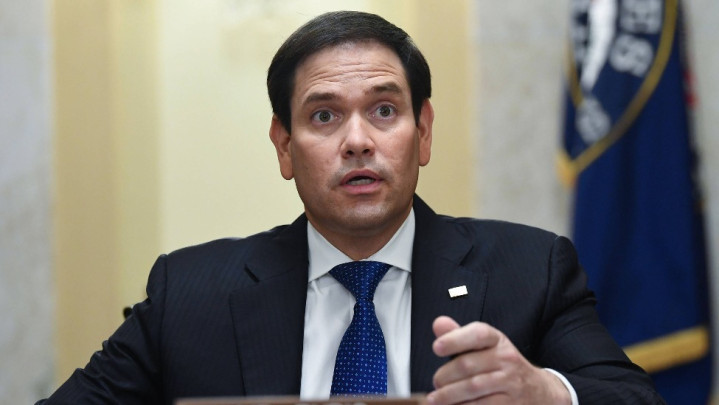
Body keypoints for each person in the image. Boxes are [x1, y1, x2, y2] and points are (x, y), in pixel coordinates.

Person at [38, 10, 665, 405]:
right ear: (284, 146)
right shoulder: (190, 294)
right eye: (324, 116)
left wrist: (546, 393)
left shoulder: (529, 270)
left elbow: (632, 396)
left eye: (384, 110)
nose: (358, 140)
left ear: (423, 133)